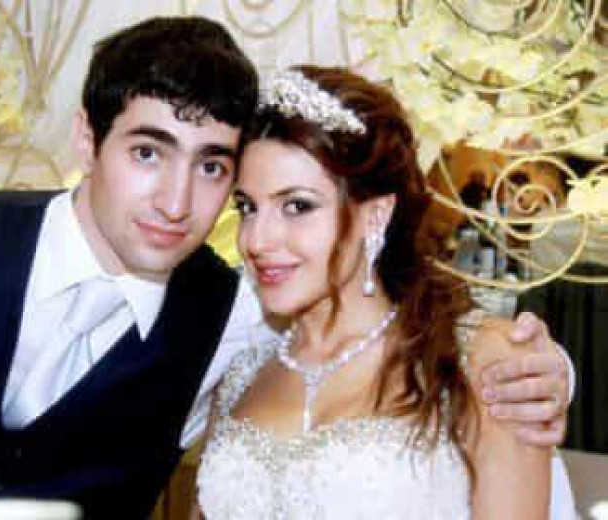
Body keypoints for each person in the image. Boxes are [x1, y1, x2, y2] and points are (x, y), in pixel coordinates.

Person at [0, 17, 571, 520]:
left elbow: (385, 333)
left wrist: (545, 368)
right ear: (87, 140)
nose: (177, 202)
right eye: (148, 152)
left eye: (212, 167)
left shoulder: (241, 314)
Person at [195, 67, 571, 518]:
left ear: (375, 215)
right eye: (248, 207)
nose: (256, 239)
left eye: (297, 206)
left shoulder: (482, 365)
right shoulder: (241, 375)